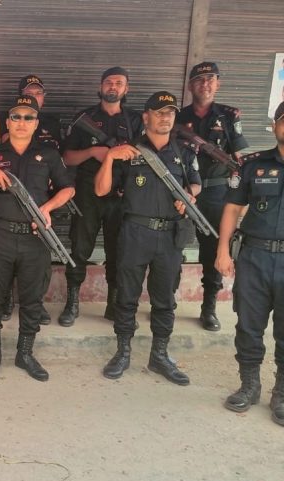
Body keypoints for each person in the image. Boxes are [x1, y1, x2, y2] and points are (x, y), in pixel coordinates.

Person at [95, 91, 201, 385]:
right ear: (146, 117)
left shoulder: (184, 152)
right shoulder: (128, 151)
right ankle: (123, 353)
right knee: (126, 297)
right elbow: (101, 190)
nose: (165, 117)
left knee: (164, 300)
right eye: (159, 112)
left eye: (170, 113)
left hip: (169, 235)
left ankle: (160, 356)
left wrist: (189, 197)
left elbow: (196, 184)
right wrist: (109, 158)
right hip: (135, 232)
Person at [0, 95, 74, 381]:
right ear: (8, 122)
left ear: (36, 123)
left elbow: (68, 188)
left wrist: (48, 208)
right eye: (16, 117)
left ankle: (25, 353)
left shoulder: (48, 154)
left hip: (35, 237)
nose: (22, 122)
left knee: (32, 298)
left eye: (29, 117)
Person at [216, 101, 284, 426]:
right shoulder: (253, 165)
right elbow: (232, 208)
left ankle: (281, 393)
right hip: (254, 257)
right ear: (274, 125)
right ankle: (249, 385)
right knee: (248, 325)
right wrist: (222, 251)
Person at [59, 66, 143, 327]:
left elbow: (145, 157)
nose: (113, 86)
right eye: (108, 82)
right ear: (100, 86)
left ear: (126, 89)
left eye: (119, 83)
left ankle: (113, 305)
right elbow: (67, 158)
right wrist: (93, 152)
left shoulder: (135, 121)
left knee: (118, 250)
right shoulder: (85, 118)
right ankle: (72, 303)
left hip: (122, 194)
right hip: (88, 194)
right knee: (79, 248)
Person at [178, 62, 248, 332]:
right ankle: (166, 303)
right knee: (173, 246)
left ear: (218, 84)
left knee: (214, 250)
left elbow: (239, 158)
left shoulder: (229, 116)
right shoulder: (178, 117)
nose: (205, 84)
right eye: (199, 80)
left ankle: (208, 308)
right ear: (190, 86)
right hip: (185, 190)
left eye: (210, 79)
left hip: (217, 192)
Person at [0, 74, 61, 323]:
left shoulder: (53, 123)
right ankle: (5, 299)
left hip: (43, 198)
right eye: (29, 93)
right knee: (5, 256)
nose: (34, 97)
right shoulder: (10, 121)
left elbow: (60, 158)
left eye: (38, 93)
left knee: (40, 257)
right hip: (12, 197)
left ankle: (36, 303)